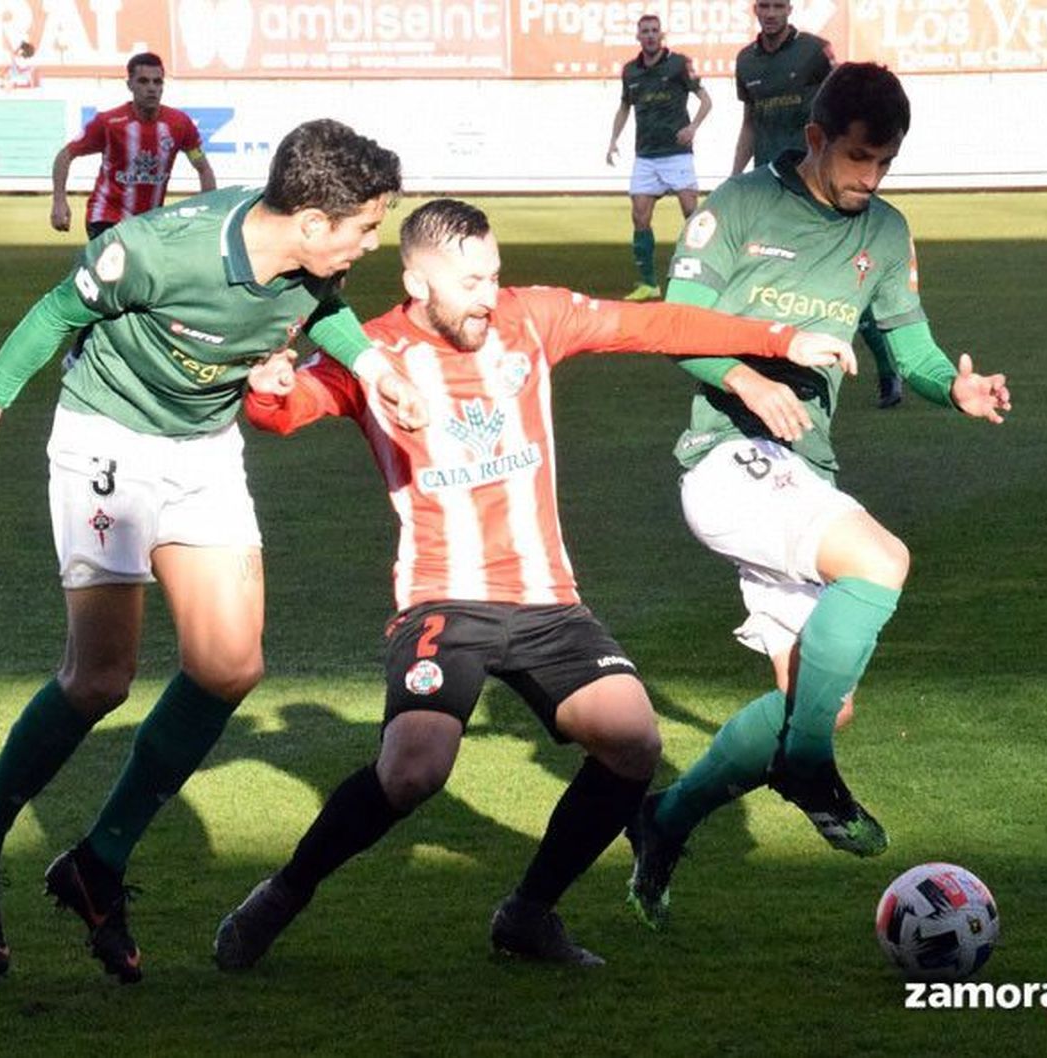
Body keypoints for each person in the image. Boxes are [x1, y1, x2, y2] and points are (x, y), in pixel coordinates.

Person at [212, 198, 857, 969]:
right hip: (443, 598)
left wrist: (779, 340)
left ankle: (528, 914)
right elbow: (286, 414)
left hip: (549, 602)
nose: (489, 293)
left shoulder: (532, 319)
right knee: (414, 767)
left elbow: (653, 325)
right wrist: (270, 387)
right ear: (418, 282)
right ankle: (284, 892)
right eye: (470, 280)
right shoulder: (373, 352)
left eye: (494, 274)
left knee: (632, 743)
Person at [0, 119, 420, 984]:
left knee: (230, 666)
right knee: (100, 679)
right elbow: (55, 312)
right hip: (105, 441)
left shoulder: (308, 268)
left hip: (202, 451)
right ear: (310, 223)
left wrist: (375, 369)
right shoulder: (158, 250)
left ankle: (97, 861)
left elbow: (325, 313)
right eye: (365, 228)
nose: (371, 244)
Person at [626, 63, 1012, 929]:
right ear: (814, 140)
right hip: (726, 458)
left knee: (821, 702)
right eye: (857, 158)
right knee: (881, 561)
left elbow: (908, 347)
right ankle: (807, 768)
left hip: (801, 471)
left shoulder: (886, 230)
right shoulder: (738, 208)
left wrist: (951, 388)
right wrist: (743, 380)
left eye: (885, 162)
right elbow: (670, 321)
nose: (869, 178)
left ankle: (663, 820)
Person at [733, 1, 903, 407]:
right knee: (767, 281)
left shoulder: (813, 53)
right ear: (755, 10)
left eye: (778, 5)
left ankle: (888, 369)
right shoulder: (746, 62)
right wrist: (736, 176)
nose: (771, 13)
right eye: (764, 6)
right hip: (770, 191)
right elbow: (750, 122)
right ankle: (772, 368)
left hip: (818, 187)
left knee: (845, 287)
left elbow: (846, 107)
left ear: (790, 9)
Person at [50, 52, 217, 241]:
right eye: (143, 81)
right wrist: (59, 201)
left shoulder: (179, 124)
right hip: (106, 217)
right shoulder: (109, 122)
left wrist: (208, 210)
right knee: (120, 267)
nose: (152, 88)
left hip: (149, 222)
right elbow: (65, 155)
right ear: (130, 85)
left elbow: (202, 167)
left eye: (157, 82)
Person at [606, 14, 712, 302]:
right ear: (638, 37)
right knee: (639, 216)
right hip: (646, 157)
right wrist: (613, 140)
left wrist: (693, 128)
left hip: (677, 154)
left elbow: (706, 100)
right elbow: (624, 107)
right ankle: (648, 283)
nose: (650, 36)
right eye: (645, 32)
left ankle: (703, 276)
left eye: (654, 31)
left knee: (694, 215)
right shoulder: (630, 71)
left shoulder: (678, 63)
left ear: (661, 35)